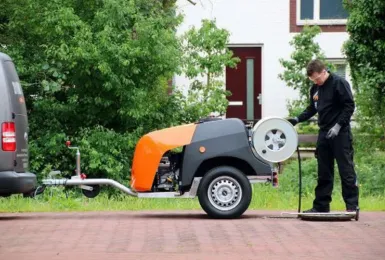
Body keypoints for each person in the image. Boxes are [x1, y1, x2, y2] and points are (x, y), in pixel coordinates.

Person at [288, 59, 359, 213]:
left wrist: (338, 126)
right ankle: (321, 206)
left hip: (340, 134)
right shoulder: (315, 89)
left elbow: (349, 106)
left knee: (346, 170)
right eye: (313, 80)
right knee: (324, 171)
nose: (316, 82)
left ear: (324, 71)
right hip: (324, 133)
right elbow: (312, 109)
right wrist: (297, 119)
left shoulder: (339, 83)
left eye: (317, 78)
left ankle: (352, 206)